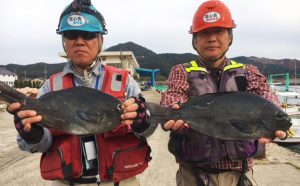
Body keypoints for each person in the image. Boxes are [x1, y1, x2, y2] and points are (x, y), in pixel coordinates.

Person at [6, 0, 156, 185]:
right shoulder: (50, 86)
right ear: (64, 41)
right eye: (71, 35)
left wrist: (143, 121)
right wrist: (32, 135)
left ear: (101, 40)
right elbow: (42, 143)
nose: (79, 41)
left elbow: (148, 130)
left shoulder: (125, 82)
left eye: (88, 35)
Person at [160, 0, 288, 185]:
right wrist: (173, 109)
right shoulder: (181, 70)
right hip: (193, 176)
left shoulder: (249, 71)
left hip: (239, 175)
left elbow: (265, 94)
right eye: (204, 33)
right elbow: (173, 95)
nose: (212, 38)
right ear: (195, 41)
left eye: (219, 31)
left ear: (230, 38)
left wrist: (273, 113)